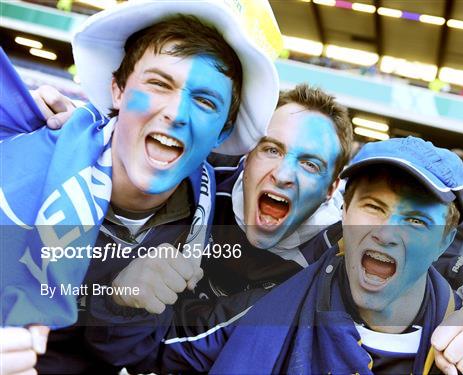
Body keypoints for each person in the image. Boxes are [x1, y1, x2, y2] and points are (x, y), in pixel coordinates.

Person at [83, 88, 463, 374]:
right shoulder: (182, 194)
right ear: (246, 156)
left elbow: (433, 259)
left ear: (332, 193)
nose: (284, 175)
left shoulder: (332, 246)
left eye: (310, 164)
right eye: (271, 149)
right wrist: (86, 135)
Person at [0, 0, 281, 373]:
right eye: (158, 83)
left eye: (204, 101)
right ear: (117, 90)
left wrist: (120, 303)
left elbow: (128, 357)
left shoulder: (204, 215)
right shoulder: (24, 164)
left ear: (223, 132)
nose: (177, 114)